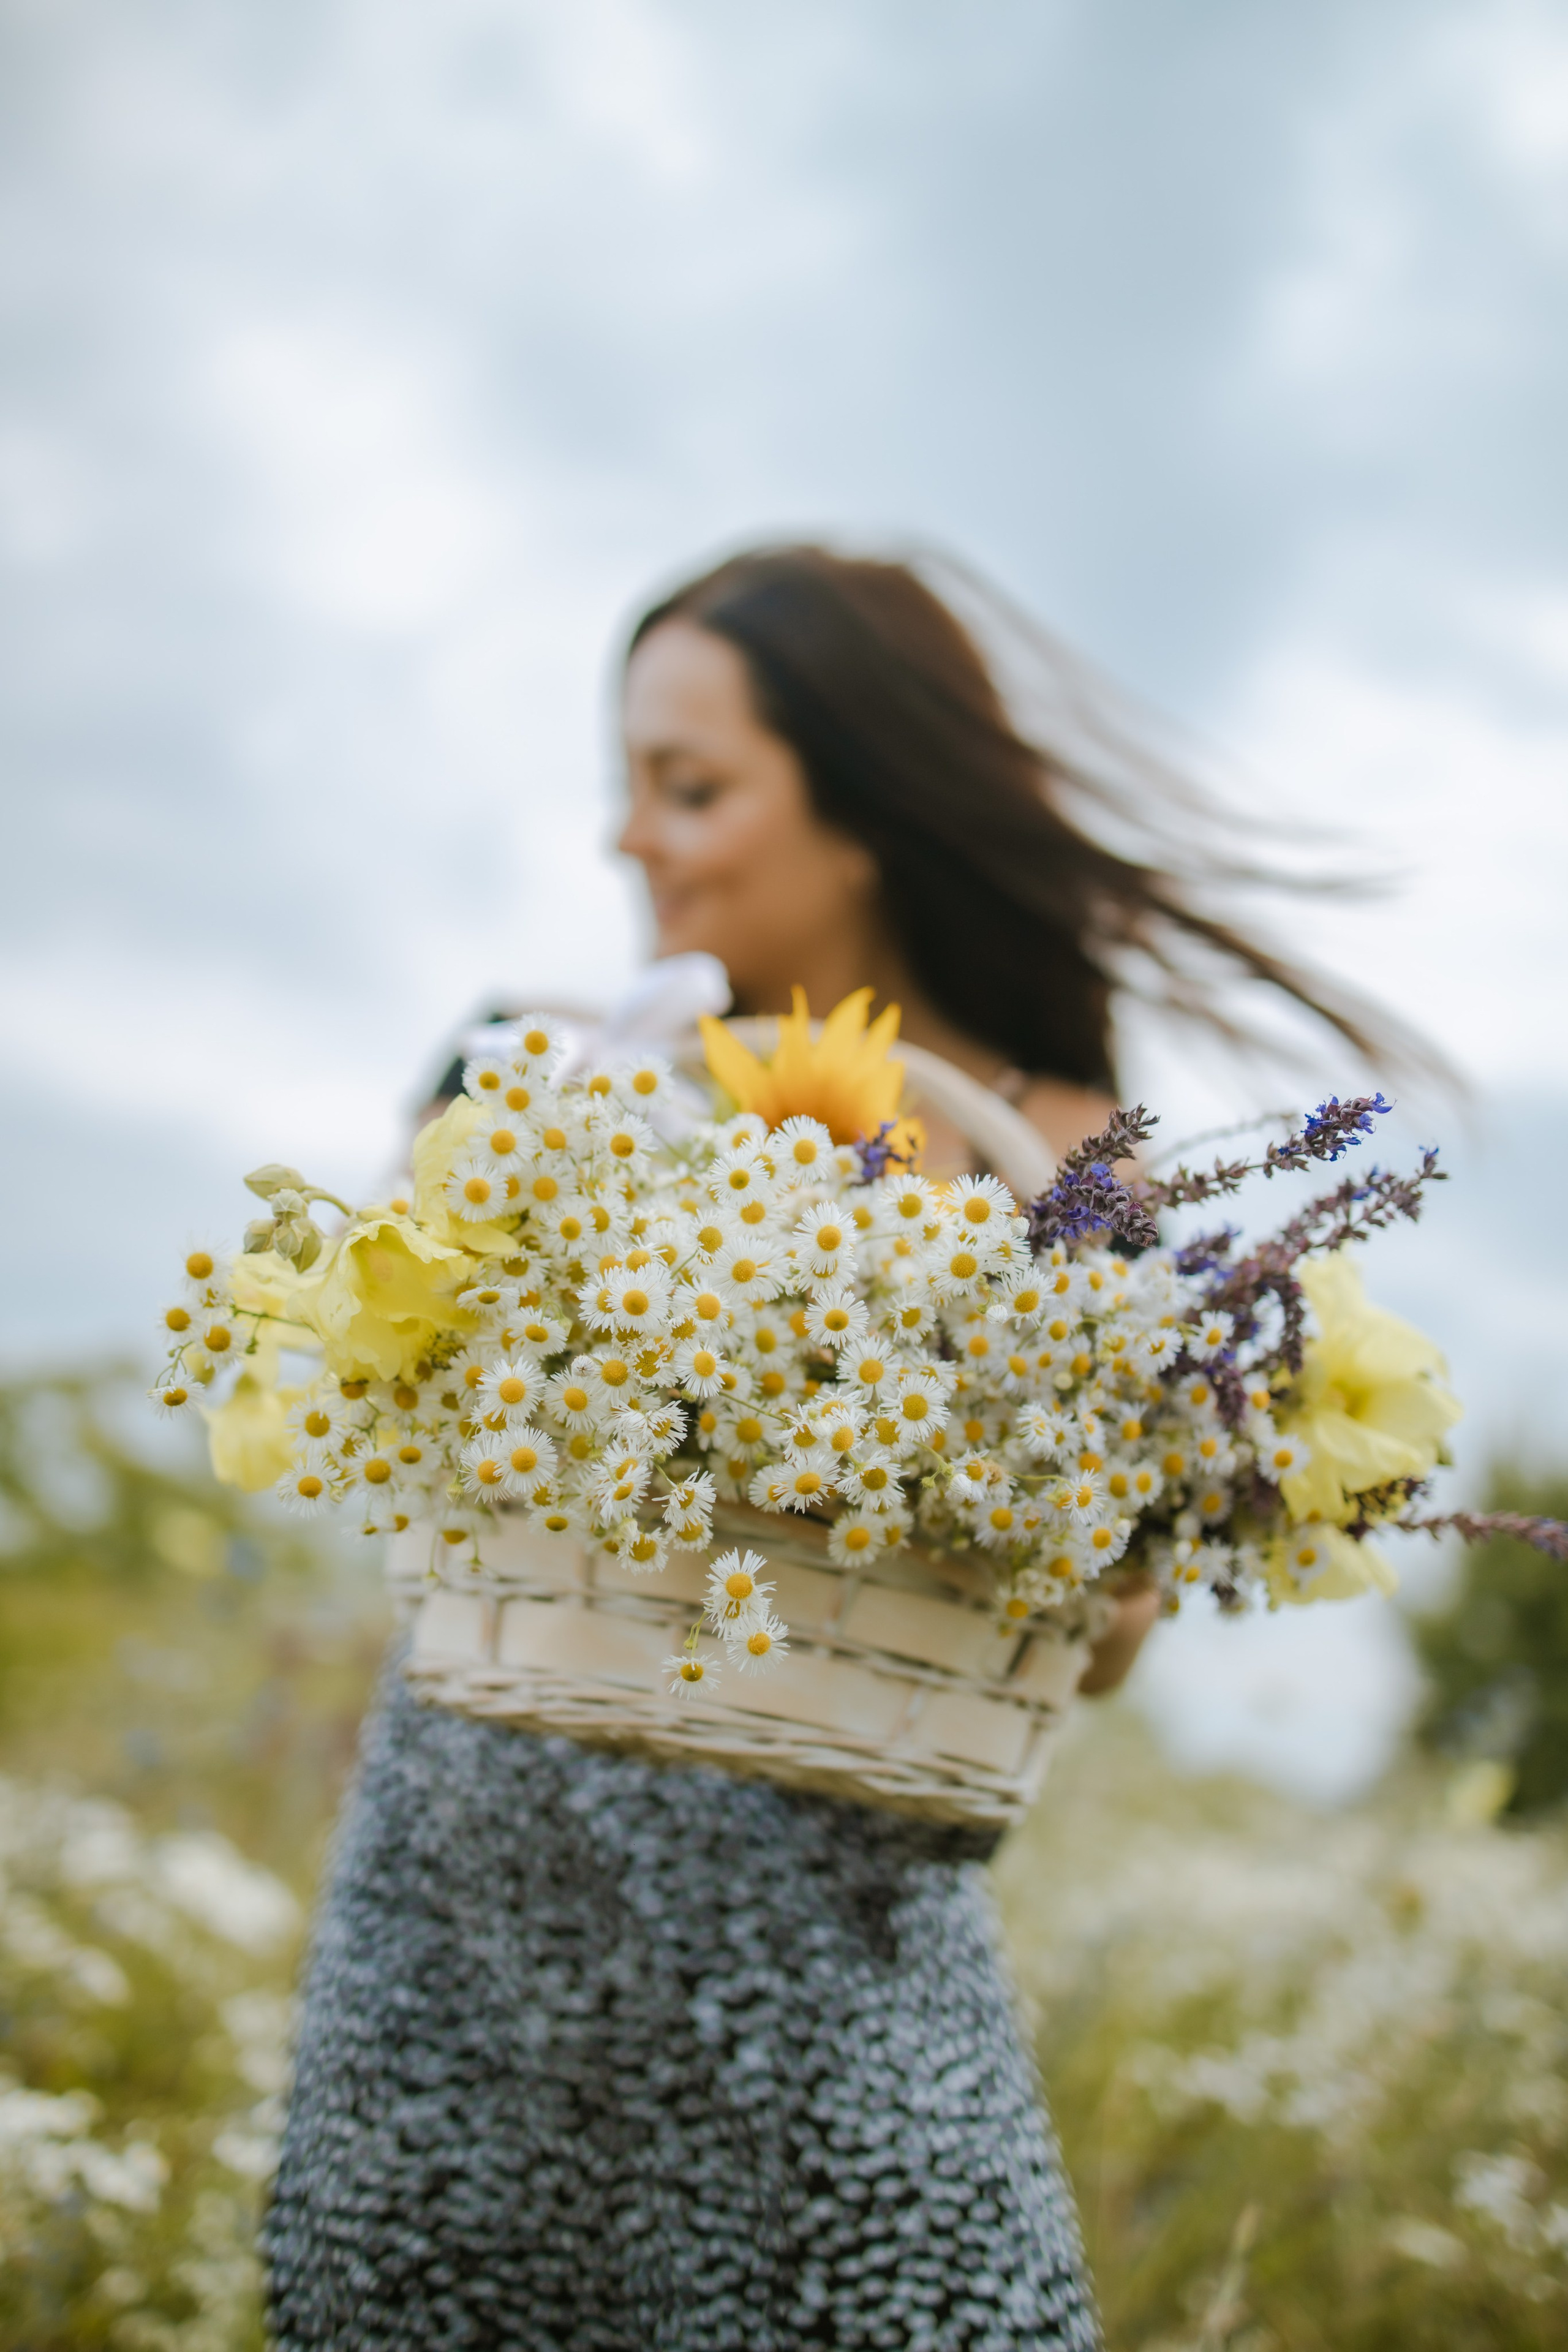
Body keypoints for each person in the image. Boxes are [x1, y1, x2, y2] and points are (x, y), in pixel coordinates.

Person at [264, 543, 1410, 2351]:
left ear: (864, 810)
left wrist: (980, 1475)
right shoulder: (547, 1091)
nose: (631, 839)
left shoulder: (1068, 1162)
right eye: (626, 788)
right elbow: (409, 1442)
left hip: (840, 2020)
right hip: (460, 1963)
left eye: (691, 786)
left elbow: (1107, 1644)